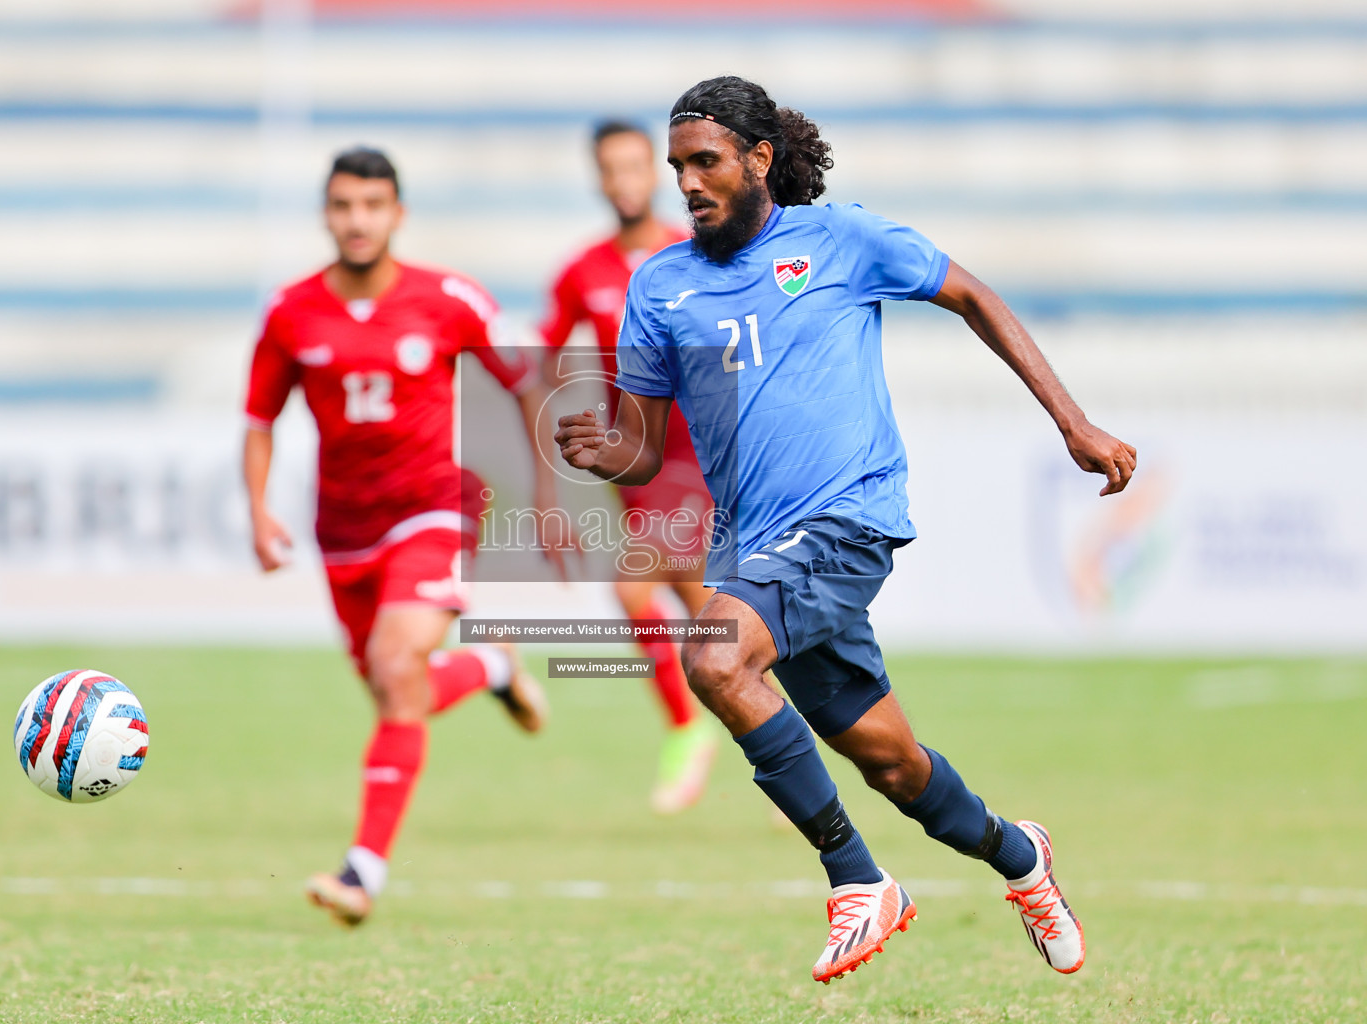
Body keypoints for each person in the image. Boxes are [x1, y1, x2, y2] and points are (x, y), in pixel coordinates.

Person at [556, 76, 1137, 984]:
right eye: (678, 167)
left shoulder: (841, 239)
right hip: (758, 551)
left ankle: (856, 881)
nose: (688, 182)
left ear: (759, 158)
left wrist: (1072, 423)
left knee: (712, 657)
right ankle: (1022, 858)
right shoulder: (659, 285)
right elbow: (643, 446)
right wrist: (604, 451)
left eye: (705, 161)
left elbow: (974, 296)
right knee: (896, 767)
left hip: (847, 520)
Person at [244, 148, 557, 928]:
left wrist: (551, 489)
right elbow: (259, 419)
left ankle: (363, 872)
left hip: (432, 509)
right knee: (398, 692)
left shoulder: (448, 299)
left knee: (394, 663)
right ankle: (489, 666)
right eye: (344, 205)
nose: (357, 220)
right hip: (341, 530)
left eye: (372, 205)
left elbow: (526, 383)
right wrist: (257, 509)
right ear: (326, 213)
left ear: (397, 215)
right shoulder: (291, 312)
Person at [540, 120, 717, 814]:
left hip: (700, 453)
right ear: (599, 178)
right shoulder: (582, 272)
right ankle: (781, 729)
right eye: (609, 169)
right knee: (705, 613)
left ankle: (686, 731)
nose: (623, 181)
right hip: (635, 458)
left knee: (636, 592)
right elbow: (538, 366)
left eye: (635, 167)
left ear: (657, 172)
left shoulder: (693, 252)